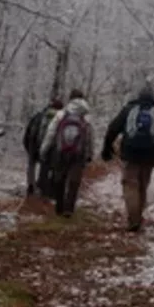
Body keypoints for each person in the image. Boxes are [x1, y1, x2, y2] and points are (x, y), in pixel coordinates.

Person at [101, 82, 154, 232]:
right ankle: (138, 217)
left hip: (130, 153)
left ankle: (133, 219)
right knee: (142, 186)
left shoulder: (129, 110)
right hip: (150, 156)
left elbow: (113, 128)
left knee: (130, 185)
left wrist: (107, 148)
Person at [40, 88, 94, 217]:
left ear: (70, 99)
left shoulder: (61, 114)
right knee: (74, 181)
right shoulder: (86, 116)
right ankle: (69, 208)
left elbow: (50, 133)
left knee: (60, 178)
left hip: (60, 151)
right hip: (78, 153)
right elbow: (90, 137)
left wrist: (44, 150)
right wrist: (89, 154)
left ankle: (59, 206)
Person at [22, 96, 63, 196]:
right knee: (48, 167)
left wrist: (28, 146)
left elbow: (27, 133)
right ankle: (46, 189)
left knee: (31, 165)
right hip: (49, 147)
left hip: (33, 143)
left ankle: (31, 186)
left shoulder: (38, 116)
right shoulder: (60, 119)